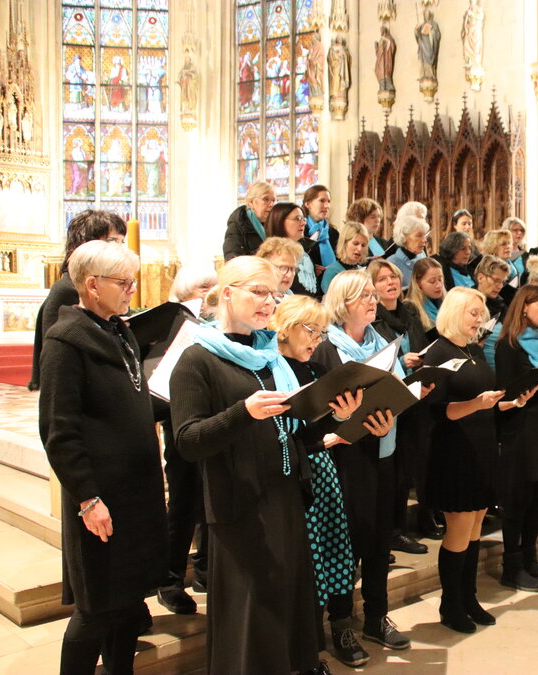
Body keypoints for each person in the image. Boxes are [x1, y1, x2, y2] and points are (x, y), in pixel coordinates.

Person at [170, 256, 329, 674]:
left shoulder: (269, 357)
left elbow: (295, 433)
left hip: (284, 497)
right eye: (258, 292)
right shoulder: (197, 359)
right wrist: (243, 412)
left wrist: (339, 415)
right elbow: (188, 442)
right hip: (238, 506)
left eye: (273, 295)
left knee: (282, 610)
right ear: (226, 293)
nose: (268, 302)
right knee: (250, 617)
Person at [39, 241, 167, 675]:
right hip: (103, 499)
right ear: (92, 286)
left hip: (137, 493)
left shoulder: (118, 330)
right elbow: (60, 433)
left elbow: (133, 397)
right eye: (123, 282)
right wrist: (89, 499)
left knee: (128, 600)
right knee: (96, 608)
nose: (132, 288)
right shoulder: (65, 342)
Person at [423, 287, 535, 632]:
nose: (480, 320)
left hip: (483, 446)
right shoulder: (439, 352)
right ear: (456, 312)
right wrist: (477, 405)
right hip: (454, 450)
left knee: (474, 530)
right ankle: (450, 604)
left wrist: (511, 403)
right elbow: (436, 411)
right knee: (458, 531)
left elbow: (485, 399)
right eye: (473, 313)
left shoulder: (473, 350)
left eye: (481, 313)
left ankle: (469, 597)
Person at [311, 270, 411, 655]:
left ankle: (375, 617)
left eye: (374, 294)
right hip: (343, 460)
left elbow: (397, 389)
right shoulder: (325, 349)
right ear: (342, 304)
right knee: (345, 545)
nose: (373, 300)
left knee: (378, 540)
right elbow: (320, 411)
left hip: (383, 451)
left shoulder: (382, 341)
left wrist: (393, 412)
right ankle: (340, 625)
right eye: (363, 295)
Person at [269, 295, 367, 668]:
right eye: (310, 330)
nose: (317, 339)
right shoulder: (272, 367)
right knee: (307, 565)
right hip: (290, 475)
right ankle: (307, 650)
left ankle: (340, 629)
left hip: (322, 469)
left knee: (335, 549)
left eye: (321, 332)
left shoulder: (313, 369)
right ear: (287, 327)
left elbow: (316, 427)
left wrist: (343, 418)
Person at [155, 266, 218, 616]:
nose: (209, 291)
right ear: (183, 294)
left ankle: (207, 569)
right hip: (182, 426)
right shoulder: (172, 326)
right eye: (201, 287)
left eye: (213, 285)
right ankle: (170, 579)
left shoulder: (221, 325)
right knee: (184, 504)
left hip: (216, 425)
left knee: (212, 502)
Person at [368, 259, 438, 549]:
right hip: (392, 399)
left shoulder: (409, 311)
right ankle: (392, 531)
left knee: (414, 464)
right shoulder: (375, 318)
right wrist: (401, 362)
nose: (390, 282)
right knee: (394, 472)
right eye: (382, 279)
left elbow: (421, 343)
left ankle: (418, 519)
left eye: (394, 277)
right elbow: (378, 358)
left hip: (416, 394)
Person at [495, 285, 538, 592]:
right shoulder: (509, 345)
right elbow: (505, 391)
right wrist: (524, 393)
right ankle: (512, 566)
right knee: (518, 500)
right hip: (519, 428)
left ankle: (531, 558)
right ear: (524, 307)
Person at [30, 210, 127, 391]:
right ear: (86, 244)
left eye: (122, 242)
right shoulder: (67, 289)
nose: (120, 249)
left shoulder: (104, 285)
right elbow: (56, 351)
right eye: (112, 241)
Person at [267, 201, 321, 298]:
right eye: (297, 219)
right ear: (280, 221)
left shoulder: (305, 254)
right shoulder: (271, 255)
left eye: (303, 219)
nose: (303, 223)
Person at [473, 255, 511, 368]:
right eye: (496, 280)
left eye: (503, 282)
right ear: (480, 278)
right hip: (480, 366)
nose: (500, 286)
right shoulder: (468, 303)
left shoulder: (501, 304)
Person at [223, 181, 275, 260]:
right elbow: (232, 258)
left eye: (273, 200)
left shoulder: (276, 224)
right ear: (251, 202)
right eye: (265, 199)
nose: (271, 204)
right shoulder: (237, 225)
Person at [302, 185, 340, 287]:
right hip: (311, 285)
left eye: (328, 201)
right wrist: (311, 267)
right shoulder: (301, 231)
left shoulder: (333, 233)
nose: (326, 206)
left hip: (335, 285)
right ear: (307, 204)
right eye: (322, 201)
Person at [322, 221, 370, 291]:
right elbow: (331, 299)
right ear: (344, 243)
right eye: (355, 243)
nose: (359, 249)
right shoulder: (332, 272)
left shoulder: (364, 272)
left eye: (363, 245)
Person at [386, 214, 429, 285]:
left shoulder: (422, 256)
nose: (424, 240)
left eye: (424, 235)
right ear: (404, 237)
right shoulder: (391, 263)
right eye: (419, 236)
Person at [406, 257, 446, 330]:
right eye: (432, 281)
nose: (439, 285)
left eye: (440, 279)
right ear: (418, 283)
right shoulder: (411, 309)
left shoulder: (449, 300)